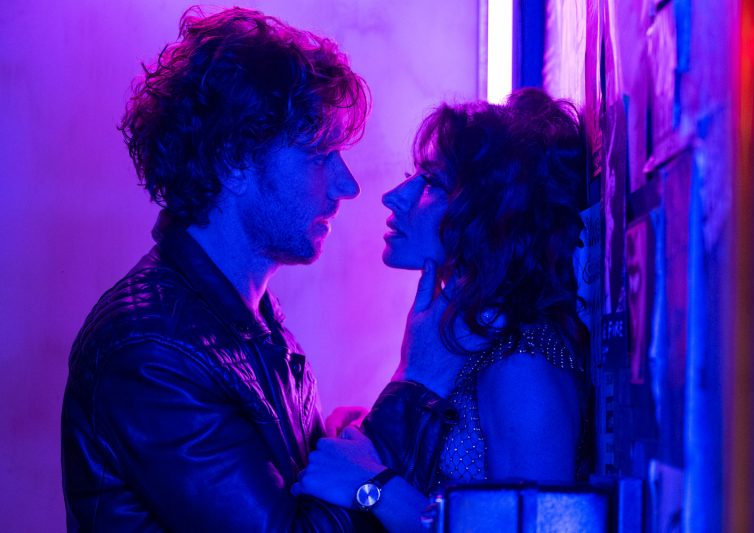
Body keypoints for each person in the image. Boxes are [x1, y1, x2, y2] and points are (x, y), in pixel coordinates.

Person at [61, 7, 450, 531]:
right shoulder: (152, 351)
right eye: (320, 155)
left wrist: (352, 446)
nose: (347, 185)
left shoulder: (249, 320)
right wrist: (415, 384)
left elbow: (311, 498)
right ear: (234, 161)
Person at [293, 88, 593, 531]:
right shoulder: (471, 339)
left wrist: (372, 485)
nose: (394, 197)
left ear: (494, 212)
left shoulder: (522, 362)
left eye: (431, 183)